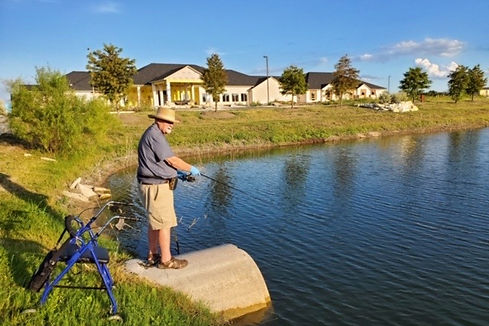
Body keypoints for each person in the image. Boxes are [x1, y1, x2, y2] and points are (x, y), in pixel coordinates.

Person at [137, 107, 200, 269]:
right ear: (159, 120)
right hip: (156, 188)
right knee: (165, 223)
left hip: (152, 184)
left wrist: (177, 174)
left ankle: (152, 255)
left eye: (173, 122)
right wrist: (190, 168)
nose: (172, 125)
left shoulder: (153, 133)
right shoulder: (155, 135)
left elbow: (160, 163)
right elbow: (172, 160)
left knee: (155, 223)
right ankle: (166, 260)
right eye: (169, 122)